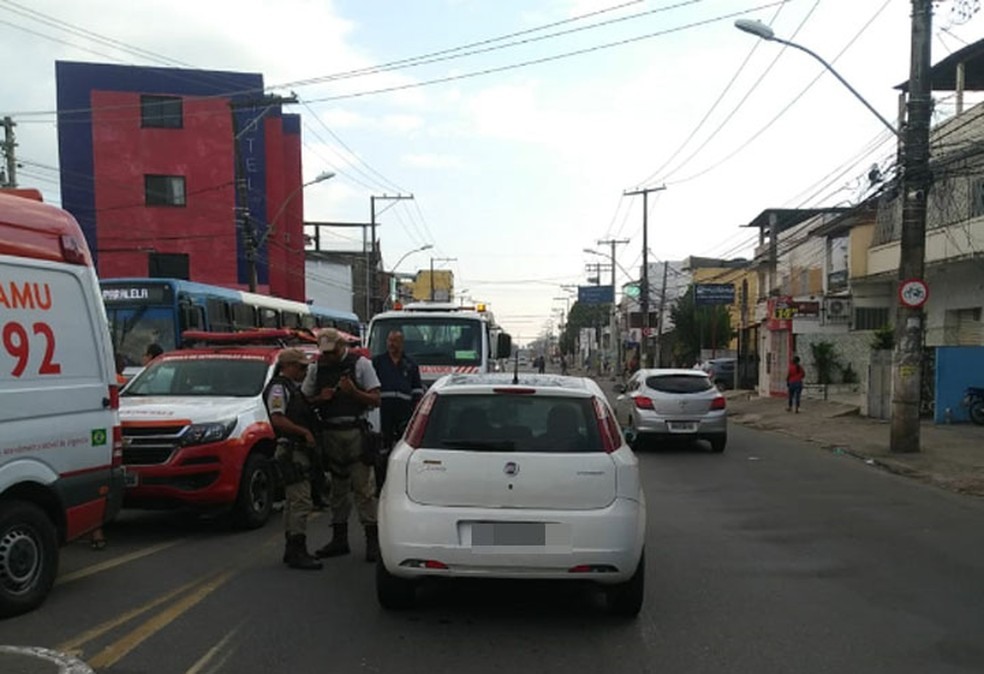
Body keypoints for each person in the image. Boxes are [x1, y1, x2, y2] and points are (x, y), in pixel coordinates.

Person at [303, 328, 382, 562]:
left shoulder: (361, 365)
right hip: (330, 433)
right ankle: (339, 539)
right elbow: (305, 400)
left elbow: (376, 399)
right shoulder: (316, 368)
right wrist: (320, 398)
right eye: (325, 352)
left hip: (356, 432)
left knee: (363, 489)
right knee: (337, 489)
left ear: (341, 346)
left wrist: (353, 392)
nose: (329, 356)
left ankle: (372, 541)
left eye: (333, 351)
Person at [263, 348, 322, 570]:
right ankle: (297, 550)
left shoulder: (292, 388)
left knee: (293, 501)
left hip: (297, 450)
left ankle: (293, 549)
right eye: (300, 367)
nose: (304, 371)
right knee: (300, 500)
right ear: (287, 366)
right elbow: (277, 419)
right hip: (291, 450)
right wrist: (303, 432)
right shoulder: (279, 388)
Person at [371, 330, 423, 494]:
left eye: (395, 341)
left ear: (402, 343)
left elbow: (416, 389)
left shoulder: (410, 364)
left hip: (404, 413)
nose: (391, 344)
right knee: (382, 448)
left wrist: (416, 410)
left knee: (403, 448)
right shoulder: (378, 362)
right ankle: (380, 486)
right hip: (383, 411)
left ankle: (402, 484)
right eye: (389, 341)